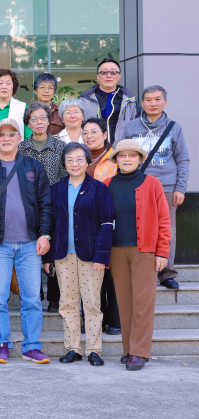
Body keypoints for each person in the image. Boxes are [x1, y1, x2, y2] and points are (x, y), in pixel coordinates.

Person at [0, 118, 52, 364]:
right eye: (1, 134)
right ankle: (0, 344)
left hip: (30, 244)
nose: (6, 138)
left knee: (32, 298)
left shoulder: (34, 167)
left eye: (11, 133)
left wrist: (45, 234)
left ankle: (31, 346)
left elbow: (45, 203)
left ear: (19, 138)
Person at [43, 143, 114, 367]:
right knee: (67, 303)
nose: (75, 164)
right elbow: (50, 224)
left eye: (79, 159)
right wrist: (48, 257)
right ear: (64, 163)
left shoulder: (98, 188)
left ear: (87, 162)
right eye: (70, 160)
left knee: (92, 304)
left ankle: (94, 350)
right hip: (63, 255)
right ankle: (73, 348)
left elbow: (107, 224)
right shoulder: (56, 189)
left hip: (91, 256)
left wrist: (102, 256)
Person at [104, 139, 171, 371]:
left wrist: (162, 252)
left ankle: (140, 352)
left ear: (140, 158)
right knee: (124, 302)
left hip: (145, 251)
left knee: (143, 302)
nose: (127, 159)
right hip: (116, 251)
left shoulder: (152, 184)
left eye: (132, 155)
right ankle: (129, 348)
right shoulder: (107, 184)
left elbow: (164, 220)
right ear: (116, 159)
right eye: (122, 155)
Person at [122, 85, 189, 289]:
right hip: (136, 183)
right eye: (148, 100)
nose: (153, 103)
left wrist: (180, 188)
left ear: (165, 102)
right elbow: (123, 156)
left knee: (167, 228)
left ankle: (166, 273)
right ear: (142, 103)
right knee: (135, 226)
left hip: (166, 185)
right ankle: (139, 268)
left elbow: (182, 159)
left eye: (157, 99)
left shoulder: (174, 127)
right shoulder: (131, 127)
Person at [18, 102, 67, 314]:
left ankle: (54, 298)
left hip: (54, 204)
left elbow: (65, 175)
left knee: (53, 250)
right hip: (26, 206)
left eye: (43, 118)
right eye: (34, 118)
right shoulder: (21, 148)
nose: (39, 122)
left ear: (49, 121)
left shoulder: (60, 147)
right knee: (30, 251)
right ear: (28, 123)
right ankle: (34, 295)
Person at [80, 117, 121, 335]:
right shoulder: (79, 158)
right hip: (86, 225)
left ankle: (114, 319)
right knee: (90, 275)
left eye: (94, 132)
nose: (89, 136)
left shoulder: (115, 158)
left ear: (105, 134)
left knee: (112, 274)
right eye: (85, 132)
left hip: (113, 222)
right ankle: (94, 319)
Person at [77, 58, 138, 145]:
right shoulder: (84, 100)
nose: (109, 75)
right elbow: (78, 127)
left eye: (113, 72)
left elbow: (136, 127)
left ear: (119, 76)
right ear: (98, 77)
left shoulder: (130, 101)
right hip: (93, 149)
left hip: (122, 149)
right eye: (104, 72)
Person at [0, 69, 30, 139]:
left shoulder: (23, 108)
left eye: (8, 83)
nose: (4, 87)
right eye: (0, 83)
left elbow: (29, 138)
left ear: (13, 86)